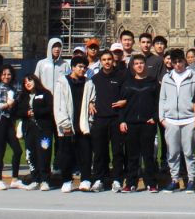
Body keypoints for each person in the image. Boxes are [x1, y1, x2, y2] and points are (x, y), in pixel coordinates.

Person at [160, 48, 195, 193]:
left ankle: (191, 179)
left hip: (188, 119)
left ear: (185, 61)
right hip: (171, 120)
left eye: (180, 61)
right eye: (175, 62)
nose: (178, 65)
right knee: (172, 153)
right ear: (171, 63)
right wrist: (162, 117)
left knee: (189, 152)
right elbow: (162, 98)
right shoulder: (167, 78)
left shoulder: (194, 77)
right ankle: (174, 180)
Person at [119, 54, 160, 193]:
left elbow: (159, 103)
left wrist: (155, 117)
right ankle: (131, 183)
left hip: (148, 123)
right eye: (136, 63)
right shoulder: (127, 83)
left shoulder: (153, 82)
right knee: (132, 155)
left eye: (141, 63)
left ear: (145, 65)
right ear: (132, 66)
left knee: (148, 155)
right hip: (131, 123)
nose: (139, 65)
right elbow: (122, 104)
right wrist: (122, 120)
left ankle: (151, 183)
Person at [89, 50, 128, 192]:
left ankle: (117, 179)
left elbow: (126, 96)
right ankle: (99, 179)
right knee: (99, 152)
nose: (107, 62)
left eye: (109, 59)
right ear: (100, 61)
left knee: (117, 151)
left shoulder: (121, 76)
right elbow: (89, 96)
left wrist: (125, 101)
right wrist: (90, 103)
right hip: (100, 119)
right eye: (104, 59)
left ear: (113, 61)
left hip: (116, 118)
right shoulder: (95, 78)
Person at [53, 56, 94, 193]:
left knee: (86, 153)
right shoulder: (62, 82)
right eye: (80, 67)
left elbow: (93, 99)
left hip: (83, 124)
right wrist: (64, 123)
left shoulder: (89, 83)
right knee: (66, 154)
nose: (82, 70)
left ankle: (86, 179)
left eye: (84, 67)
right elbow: (58, 105)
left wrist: (91, 104)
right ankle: (66, 180)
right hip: (67, 124)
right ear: (73, 67)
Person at [15, 74, 55, 190]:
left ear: (35, 81)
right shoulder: (23, 96)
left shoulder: (45, 94)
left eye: (30, 81)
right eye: (25, 82)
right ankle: (35, 179)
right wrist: (26, 113)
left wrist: (35, 112)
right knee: (31, 154)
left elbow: (50, 108)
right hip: (29, 130)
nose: (28, 83)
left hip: (44, 130)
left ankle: (45, 180)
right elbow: (18, 111)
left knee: (44, 153)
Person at [0, 65, 23, 190]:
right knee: (0, 151)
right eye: (4, 74)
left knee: (18, 150)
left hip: (9, 121)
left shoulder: (13, 88)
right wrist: (7, 104)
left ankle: (15, 179)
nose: (6, 76)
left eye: (8, 74)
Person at [34, 38, 69, 102]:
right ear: (50, 47)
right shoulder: (41, 63)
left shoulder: (65, 64)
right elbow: (35, 81)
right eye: (54, 46)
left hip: (60, 99)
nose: (57, 49)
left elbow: (68, 82)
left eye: (59, 46)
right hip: (44, 98)